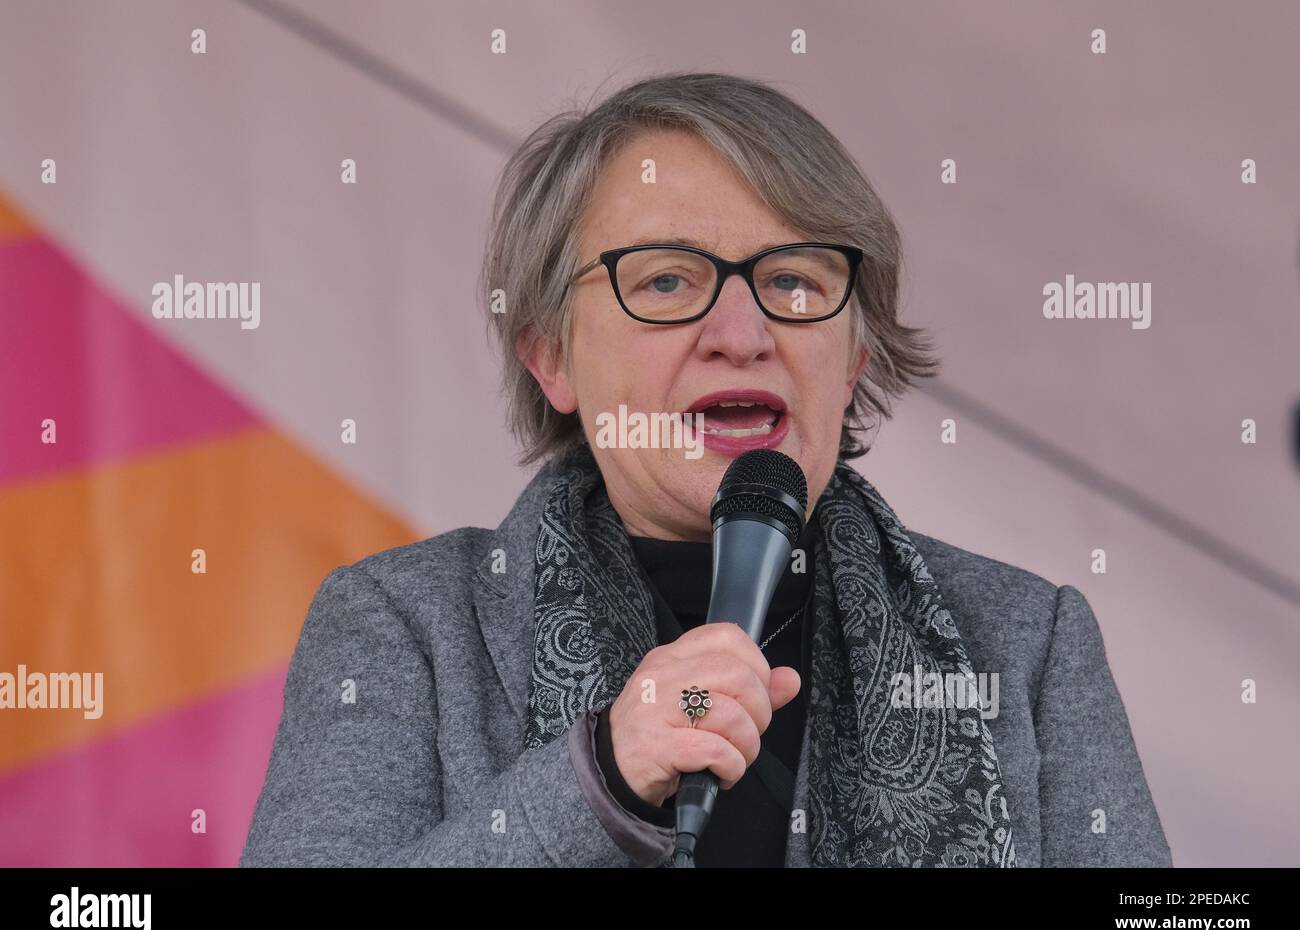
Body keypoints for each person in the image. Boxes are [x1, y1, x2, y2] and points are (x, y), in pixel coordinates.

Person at [240, 71, 1172, 868]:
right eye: (667, 280)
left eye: (795, 281)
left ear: (853, 360)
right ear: (550, 355)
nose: (743, 334)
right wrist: (599, 776)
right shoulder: (406, 627)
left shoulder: (1028, 641)